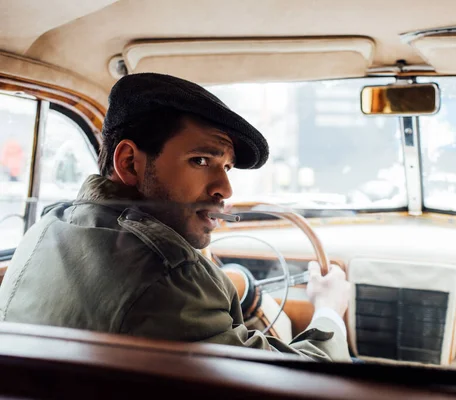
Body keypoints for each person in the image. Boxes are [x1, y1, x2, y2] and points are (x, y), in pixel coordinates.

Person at [0, 73, 351, 362]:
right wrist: (329, 309)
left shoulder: (46, 228)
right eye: (201, 160)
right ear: (129, 163)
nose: (225, 189)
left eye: (226, 167)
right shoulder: (171, 279)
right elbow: (300, 384)